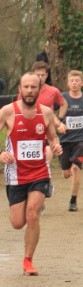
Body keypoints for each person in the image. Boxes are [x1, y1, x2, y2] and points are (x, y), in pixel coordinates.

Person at [0, 71, 63, 276]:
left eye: (33, 87)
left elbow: (53, 138)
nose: (29, 90)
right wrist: (0, 153)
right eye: (26, 87)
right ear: (20, 89)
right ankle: (31, 205)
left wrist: (56, 146)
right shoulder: (8, 111)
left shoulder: (46, 113)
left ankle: (28, 260)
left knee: (33, 214)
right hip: (16, 174)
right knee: (18, 222)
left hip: (39, 171)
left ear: (39, 90)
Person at [59, 70, 83, 212]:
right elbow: (52, 114)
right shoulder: (62, 98)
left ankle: (73, 200)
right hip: (65, 140)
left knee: (76, 168)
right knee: (66, 174)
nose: (74, 83)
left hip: (81, 141)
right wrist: (58, 124)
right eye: (72, 81)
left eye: (77, 81)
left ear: (81, 83)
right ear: (68, 83)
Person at [31, 61, 67, 127]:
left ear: (46, 75)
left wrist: (59, 119)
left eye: (42, 75)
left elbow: (64, 104)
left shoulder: (53, 91)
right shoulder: (26, 91)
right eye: (38, 75)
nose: (40, 77)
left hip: (48, 127)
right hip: (30, 125)